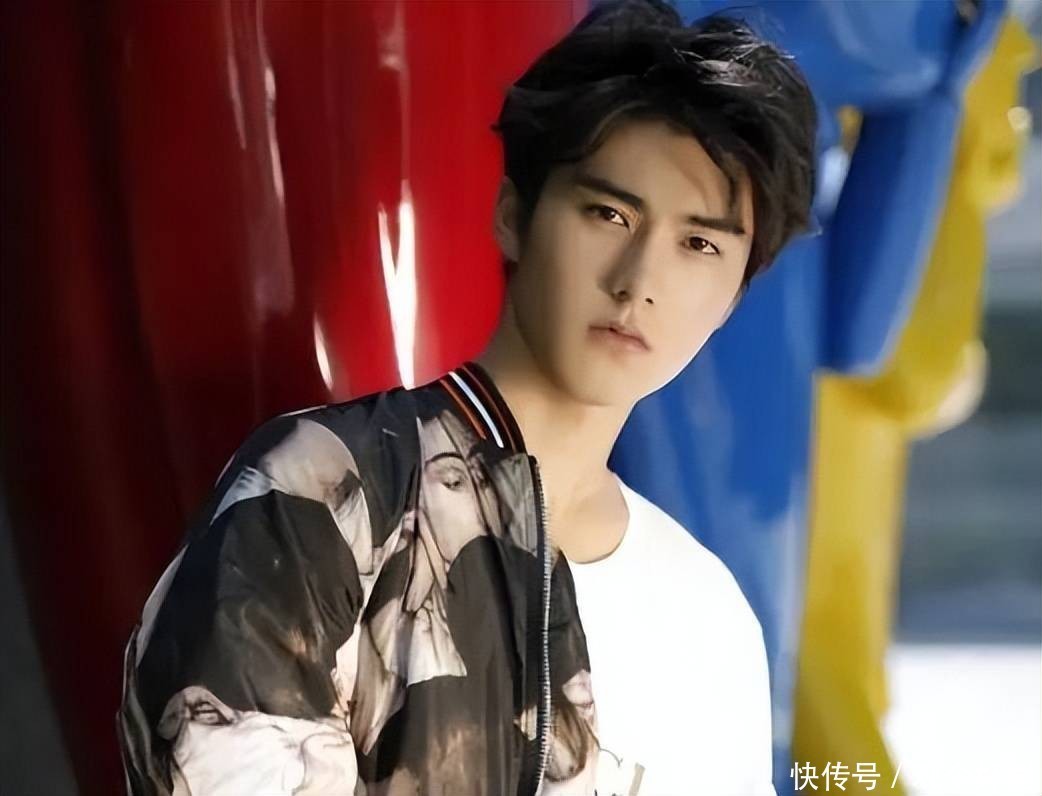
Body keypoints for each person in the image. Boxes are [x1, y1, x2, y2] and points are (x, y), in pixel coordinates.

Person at [117, 1, 816, 793]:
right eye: (608, 213)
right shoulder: (322, 494)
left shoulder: (708, 612)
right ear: (514, 216)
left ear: (733, 294)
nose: (639, 281)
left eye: (698, 244)